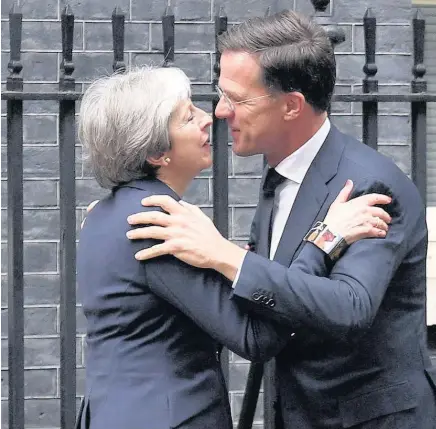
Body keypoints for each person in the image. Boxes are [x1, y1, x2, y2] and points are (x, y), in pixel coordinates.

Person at [124, 10, 436, 429]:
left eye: (236, 99)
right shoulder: (281, 174)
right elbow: (276, 288)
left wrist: (225, 255)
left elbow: (349, 307)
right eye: (221, 94)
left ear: (291, 106)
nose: (219, 112)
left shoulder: (367, 186)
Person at [76, 66, 392, 429]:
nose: (207, 118)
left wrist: (227, 260)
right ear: (157, 152)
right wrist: (323, 240)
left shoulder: (105, 215)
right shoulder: (156, 222)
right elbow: (256, 337)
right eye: (186, 116)